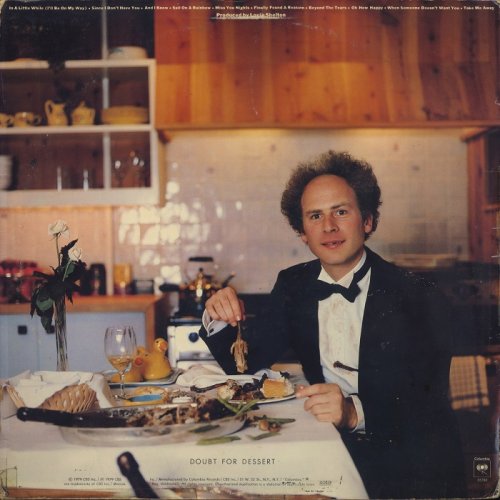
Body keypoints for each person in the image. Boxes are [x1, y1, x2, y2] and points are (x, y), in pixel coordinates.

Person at [199, 151, 465, 498]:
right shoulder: (293, 285)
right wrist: (219, 316)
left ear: (367, 220)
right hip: (329, 451)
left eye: (340, 211)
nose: (328, 227)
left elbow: (428, 402)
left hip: (411, 465)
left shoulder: (418, 294)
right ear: (302, 233)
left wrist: (354, 413)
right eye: (315, 216)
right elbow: (245, 366)